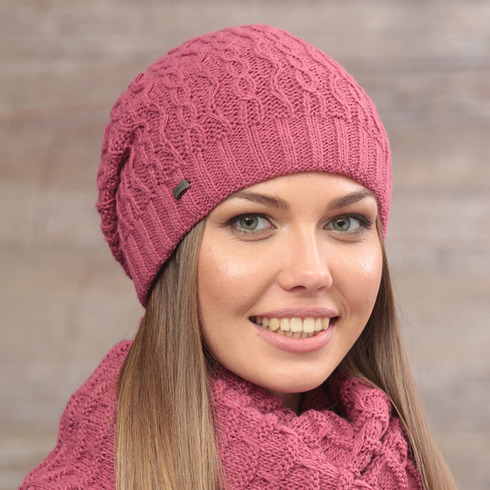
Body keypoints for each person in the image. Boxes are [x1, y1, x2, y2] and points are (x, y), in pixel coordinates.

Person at [21, 24, 456, 489]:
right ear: (169, 259)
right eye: (251, 222)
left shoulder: (401, 466)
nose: (311, 272)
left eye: (345, 223)